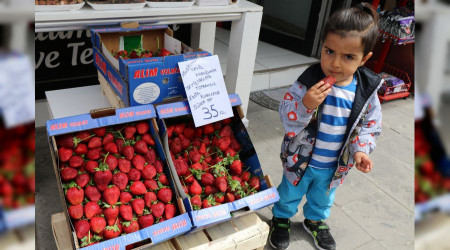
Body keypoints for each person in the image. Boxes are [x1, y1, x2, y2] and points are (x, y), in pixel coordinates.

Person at [269, 3, 383, 250]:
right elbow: (285, 115)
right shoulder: (308, 81)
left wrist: (361, 150)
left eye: (348, 57)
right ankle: (280, 218)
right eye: (329, 51)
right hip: (299, 159)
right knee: (289, 192)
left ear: (364, 59)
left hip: (334, 165)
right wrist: (306, 104)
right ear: (321, 45)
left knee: (323, 198)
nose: (335, 64)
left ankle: (314, 221)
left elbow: (370, 126)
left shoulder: (366, 93)